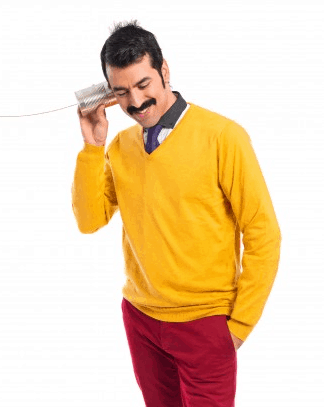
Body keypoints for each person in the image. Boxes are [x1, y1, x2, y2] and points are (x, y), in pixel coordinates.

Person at [72, 21, 281, 406]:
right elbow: (89, 221)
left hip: (206, 323)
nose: (135, 102)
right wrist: (92, 148)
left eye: (143, 84)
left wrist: (239, 326)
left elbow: (263, 234)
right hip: (141, 320)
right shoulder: (119, 146)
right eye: (121, 91)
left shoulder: (223, 137)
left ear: (164, 71)